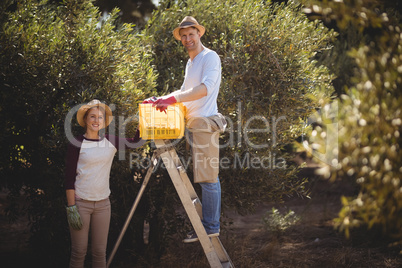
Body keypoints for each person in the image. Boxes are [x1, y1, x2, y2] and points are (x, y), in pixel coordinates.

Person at [144, 16, 226, 243]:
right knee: (203, 176)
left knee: (209, 178)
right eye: (183, 36)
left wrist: (171, 98)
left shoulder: (210, 57)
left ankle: (210, 227)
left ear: (199, 34)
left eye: (191, 34)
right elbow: (185, 91)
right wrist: (161, 99)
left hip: (204, 123)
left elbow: (204, 89)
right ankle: (209, 225)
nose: (187, 39)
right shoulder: (191, 63)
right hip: (192, 125)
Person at [64, 99, 145, 267]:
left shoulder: (110, 141)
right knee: (79, 252)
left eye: (100, 117)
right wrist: (71, 207)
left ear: (104, 121)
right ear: (86, 119)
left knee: (100, 253)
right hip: (80, 204)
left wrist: (144, 121)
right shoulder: (77, 143)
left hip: (103, 205)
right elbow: (69, 178)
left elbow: (136, 142)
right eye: (92, 116)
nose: (96, 120)